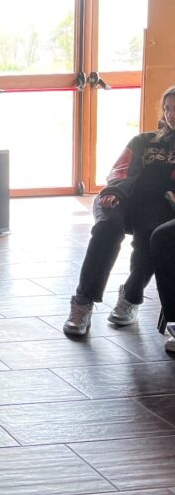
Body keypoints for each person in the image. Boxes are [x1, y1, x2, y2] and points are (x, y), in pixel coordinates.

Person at [64, 85, 175, 339]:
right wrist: (114, 192)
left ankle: (131, 297)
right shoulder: (143, 140)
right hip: (120, 199)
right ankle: (83, 303)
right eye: (167, 109)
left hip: (156, 206)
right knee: (107, 229)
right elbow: (121, 170)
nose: (170, 115)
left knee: (154, 236)